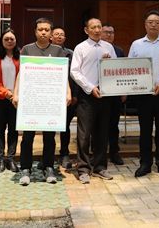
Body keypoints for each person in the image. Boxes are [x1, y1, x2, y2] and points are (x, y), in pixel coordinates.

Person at [13, 17, 71, 186]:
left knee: (49, 137)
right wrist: (16, 93)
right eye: (40, 29)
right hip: (31, 99)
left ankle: (49, 167)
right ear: (35, 31)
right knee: (27, 137)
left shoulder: (58, 50)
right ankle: (26, 169)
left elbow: (63, 74)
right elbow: (21, 73)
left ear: (51, 32)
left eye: (46, 30)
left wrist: (68, 91)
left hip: (50, 100)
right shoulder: (27, 49)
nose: (43, 32)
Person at [128, 11, 159, 178]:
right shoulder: (136, 44)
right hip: (143, 93)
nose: (154, 25)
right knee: (145, 129)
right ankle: (145, 163)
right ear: (145, 25)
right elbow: (130, 66)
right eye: (150, 22)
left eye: (157, 22)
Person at [70, 18, 117, 184]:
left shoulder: (108, 47)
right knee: (84, 134)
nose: (97, 30)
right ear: (86, 30)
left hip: (105, 94)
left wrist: (109, 63)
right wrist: (90, 87)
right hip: (87, 95)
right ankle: (83, 169)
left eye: (99, 27)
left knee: (102, 132)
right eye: (93, 27)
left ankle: (99, 167)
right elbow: (75, 71)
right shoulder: (81, 48)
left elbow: (116, 68)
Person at [0, 29, 20, 173]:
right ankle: (1, 159)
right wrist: (6, 93)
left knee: (13, 128)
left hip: (16, 99)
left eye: (12, 39)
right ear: (1, 41)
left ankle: (11, 158)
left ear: (16, 41)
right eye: (6, 39)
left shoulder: (20, 56)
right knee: (0, 128)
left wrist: (15, 94)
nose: (9, 41)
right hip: (0, 98)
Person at [51, 26, 77, 169]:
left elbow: (76, 75)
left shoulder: (71, 54)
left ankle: (64, 153)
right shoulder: (45, 52)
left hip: (67, 96)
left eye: (62, 34)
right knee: (49, 126)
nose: (59, 36)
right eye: (56, 34)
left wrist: (74, 94)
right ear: (51, 37)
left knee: (64, 126)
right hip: (49, 95)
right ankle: (48, 155)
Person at [101, 22, 126, 165]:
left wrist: (124, 91)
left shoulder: (119, 51)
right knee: (98, 125)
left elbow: (124, 71)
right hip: (99, 93)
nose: (109, 35)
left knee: (113, 125)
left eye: (112, 32)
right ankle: (98, 152)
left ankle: (114, 152)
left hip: (115, 93)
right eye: (106, 32)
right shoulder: (95, 49)